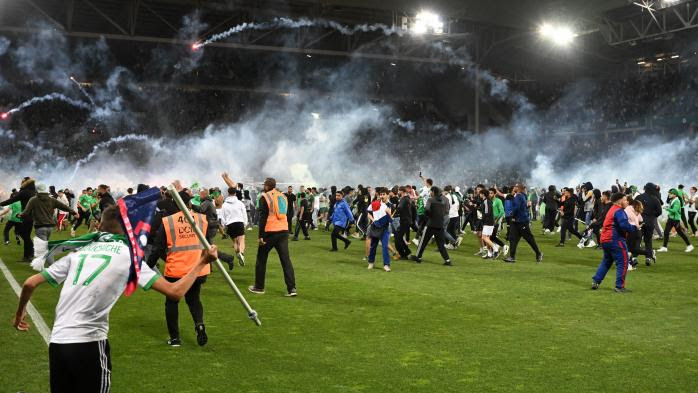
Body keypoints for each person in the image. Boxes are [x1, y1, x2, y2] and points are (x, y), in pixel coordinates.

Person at [12, 205, 218, 392]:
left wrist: (19, 315)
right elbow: (175, 292)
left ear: (100, 225)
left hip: (58, 343)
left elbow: (30, 282)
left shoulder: (79, 252)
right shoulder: (129, 257)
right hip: (90, 343)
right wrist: (202, 262)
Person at [248, 178, 297, 297]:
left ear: (267, 186)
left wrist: (260, 236)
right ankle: (292, 289)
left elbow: (263, 217)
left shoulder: (265, 197)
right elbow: (288, 213)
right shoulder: (283, 196)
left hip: (270, 232)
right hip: (283, 231)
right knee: (286, 260)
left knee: (261, 259)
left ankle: (259, 287)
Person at [591, 193, 637, 293]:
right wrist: (634, 228)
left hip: (605, 239)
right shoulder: (619, 211)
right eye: (625, 200)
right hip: (615, 239)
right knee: (623, 262)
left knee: (606, 261)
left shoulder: (612, 209)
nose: (627, 202)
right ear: (620, 201)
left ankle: (596, 281)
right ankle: (619, 286)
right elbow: (624, 225)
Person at [411, 186, 452, 266]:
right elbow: (447, 211)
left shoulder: (430, 200)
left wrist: (429, 216)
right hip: (440, 224)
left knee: (423, 242)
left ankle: (418, 258)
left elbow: (426, 210)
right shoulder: (445, 200)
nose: (430, 193)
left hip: (430, 224)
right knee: (441, 245)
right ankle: (447, 260)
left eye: (430, 192)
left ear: (433, 192)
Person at [503, 184, 543, 264]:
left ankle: (539, 253)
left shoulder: (518, 196)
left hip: (521, 221)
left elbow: (517, 207)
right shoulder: (523, 195)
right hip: (518, 221)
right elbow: (525, 206)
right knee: (513, 239)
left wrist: (512, 214)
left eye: (516, 186)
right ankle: (512, 257)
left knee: (529, 239)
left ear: (518, 188)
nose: (514, 187)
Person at [0, 177, 37, 261]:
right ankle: (29, 254)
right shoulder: (34, 192)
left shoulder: (24, 192)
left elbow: (12, 200)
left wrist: (1, 204)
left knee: (24, 235)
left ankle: (28, 255)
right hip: (31, 217)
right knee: (26, 235)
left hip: (26, 216)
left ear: (25, 183)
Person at [657, 189, 694, 253]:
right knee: (666, 232)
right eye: (669, 193)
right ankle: (664, 247)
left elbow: (674, 210)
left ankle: (689, 245)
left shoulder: (677, 201)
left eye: (670, 193)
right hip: (671, 219)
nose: (669, 194)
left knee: (680, 233)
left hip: (675, 220)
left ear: (675, 195)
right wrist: (668, 208)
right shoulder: (673, 200)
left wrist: (667, 208)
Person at [365, 188, 393, 272]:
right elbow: (368, 213)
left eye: (384, 194)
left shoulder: (391, 205)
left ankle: (386, 265)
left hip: (385, 228)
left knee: (385, 246)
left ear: (387, 195)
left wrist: (389, 213)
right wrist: (373, 220)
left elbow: (391, 220)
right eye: (381, 194)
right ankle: (371, 262)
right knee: (373, 246)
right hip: (375, 227)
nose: (382, 196)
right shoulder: (374, 203)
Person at [220, 187, 248, 269]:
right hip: (239, 222)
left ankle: (238, 255)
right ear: (235, 193)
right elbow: (244, 213)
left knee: (235, 242)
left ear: (228, 193)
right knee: (242, 240)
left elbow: (222, 216)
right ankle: (241, 254)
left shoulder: (224, 204)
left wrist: (224, 225)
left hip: (230, 224)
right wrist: (245, 223)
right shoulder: (240, 203)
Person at [635, 183, 662, 263]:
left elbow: (633, 207)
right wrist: (653, 216)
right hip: (650, 222)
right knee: (648, 240)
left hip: (639, 221)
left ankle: (634, 257)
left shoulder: (639, 197)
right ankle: (648, 258)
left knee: (637, 239)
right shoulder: (655, 199)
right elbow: (659, 211)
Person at [479, 188, 500, 259]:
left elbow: (487, 212)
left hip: (488, 222)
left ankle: (496, 250)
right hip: (490, 222)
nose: (479, 195)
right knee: (487, 238)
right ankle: (489, 254)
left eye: (480, 193)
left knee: (484, 237)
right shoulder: (488, 201)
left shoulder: (486, 201)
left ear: (483, 194)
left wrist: (483, 219)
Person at [394, 186, 413, 259]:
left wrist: (395, 212)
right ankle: (407, 252)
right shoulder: (407, 199)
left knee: (397, 238)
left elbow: (400, 208)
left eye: (399, 191)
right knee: (399, 237)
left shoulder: (404, 199)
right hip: (406, 221)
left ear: (402, 191)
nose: (398, 192)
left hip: (405, 221)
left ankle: (403, 254)